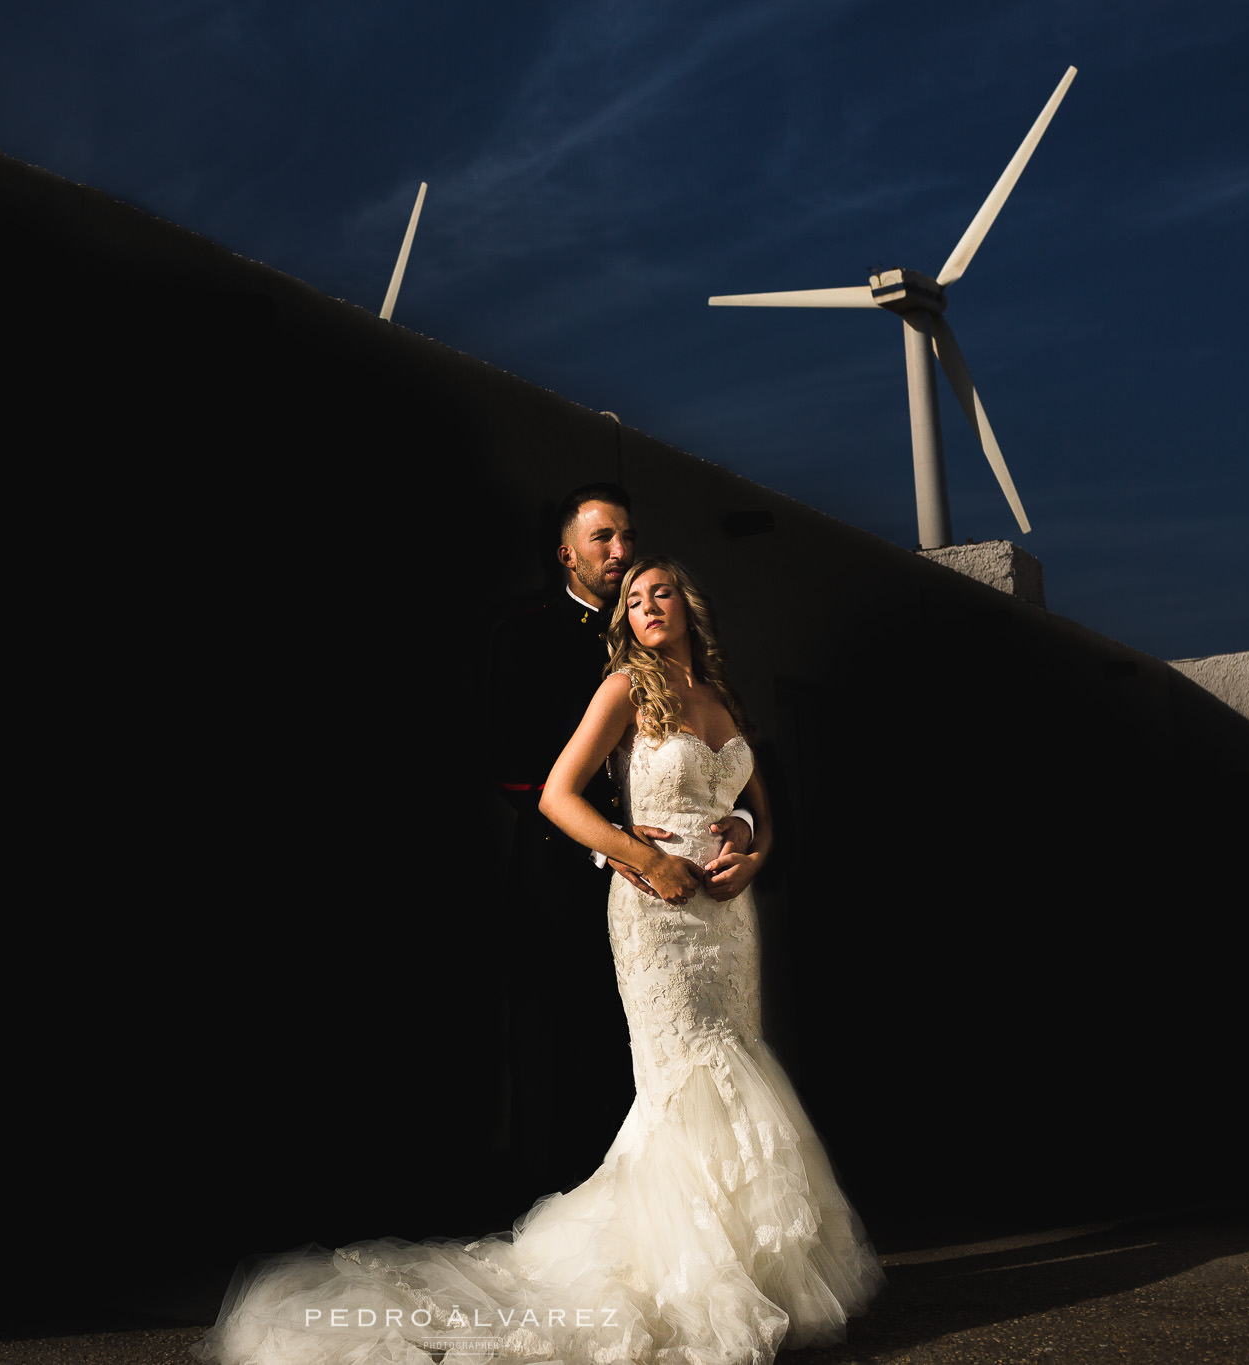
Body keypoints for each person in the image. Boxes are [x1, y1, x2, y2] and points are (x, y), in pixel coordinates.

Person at [192, 556, 883, 1365]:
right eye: (634, 597)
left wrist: (752, 850)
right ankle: (690, 1276)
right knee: (684, 1078)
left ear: (689, 606)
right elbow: (559, 792)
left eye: (662, 591)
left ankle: (753, 1265)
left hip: (728, 923)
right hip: (658, 919)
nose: (648, 603)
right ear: (625, 619)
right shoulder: (626, 687)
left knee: (735, 1064)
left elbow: (758, 814)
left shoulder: (723, 700)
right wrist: (636, 853)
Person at [489, 485, 754, 1192]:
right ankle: (558, 1232)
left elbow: (738, 778)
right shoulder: (526, 633)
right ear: (565, 552)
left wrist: (745, 830)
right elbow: (522, 773)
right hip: (564, 882)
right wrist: (619, 843)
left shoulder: (669, 653)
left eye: (628, 537)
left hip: (686, 894)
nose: (619, 551)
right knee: (556, 1063)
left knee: (640, 1067)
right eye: (602, 538)